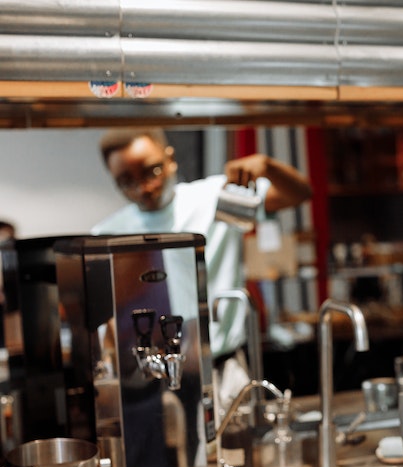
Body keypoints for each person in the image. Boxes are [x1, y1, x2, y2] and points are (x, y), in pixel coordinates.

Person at [92, 128, 312, 406]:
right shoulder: (108, 234)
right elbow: (109, 326)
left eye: (152, 171)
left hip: (221, 370)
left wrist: (267, 167)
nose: (143, 188)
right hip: (148, 381)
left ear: (170, 159)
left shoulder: (214, 199)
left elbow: (299, 193)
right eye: (126, 181)